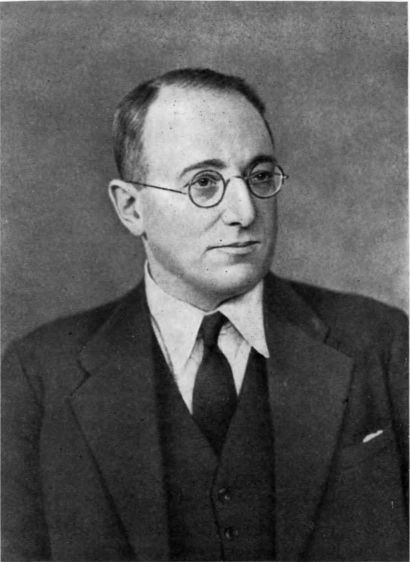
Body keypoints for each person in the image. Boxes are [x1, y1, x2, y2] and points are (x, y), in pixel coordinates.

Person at [2, 68, 408, 562]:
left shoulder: (382, 344)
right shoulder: (39, 376)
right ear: (131, 208)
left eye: (260, 176)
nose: (244, 211)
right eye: (204, 182)